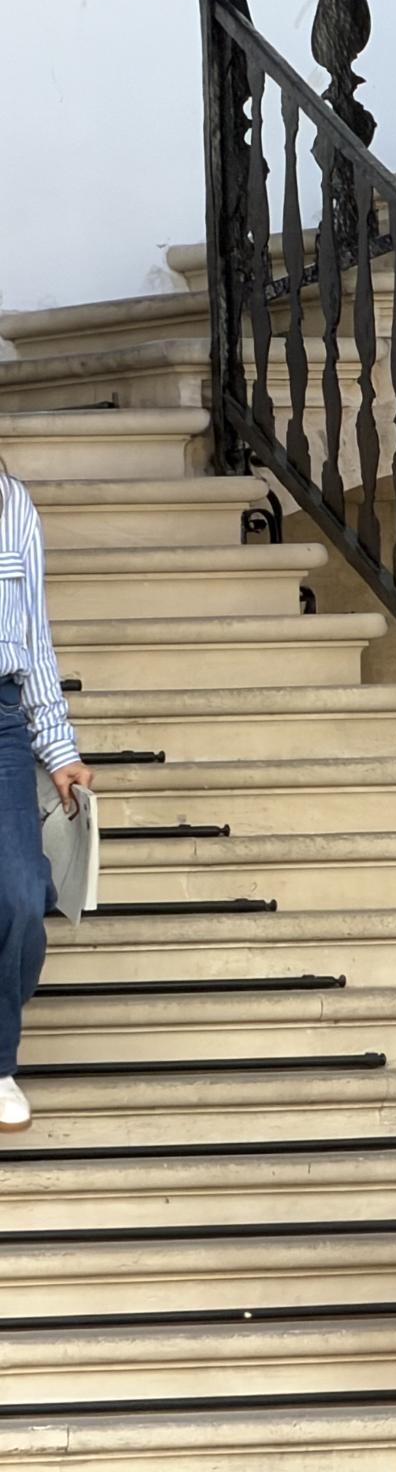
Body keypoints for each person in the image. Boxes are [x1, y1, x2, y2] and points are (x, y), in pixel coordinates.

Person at [0, 470, 93, 1133]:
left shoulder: (9, 502)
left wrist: (58, 749)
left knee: (20, 897)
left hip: (0, 718)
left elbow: (32, 637)